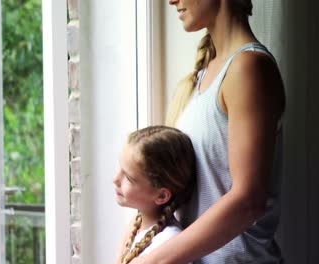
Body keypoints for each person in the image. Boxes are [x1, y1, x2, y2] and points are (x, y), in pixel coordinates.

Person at [129, 0, 286, 263]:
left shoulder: (249, 68)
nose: (171, 1)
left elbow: (248, 201)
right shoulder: (204, 75)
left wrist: (154, 260)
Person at [113, 126, 196, 264]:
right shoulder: (136, 224)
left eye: (128, 177)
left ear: (162, 196)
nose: (115, 179)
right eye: (119, 168)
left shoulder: (169, 243)